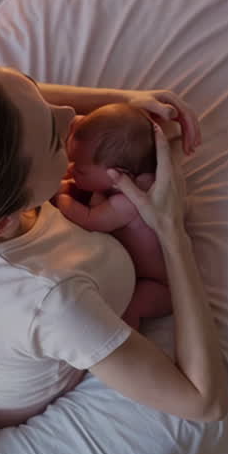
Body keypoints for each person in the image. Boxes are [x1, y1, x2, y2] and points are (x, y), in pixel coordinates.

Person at [0, 60, 228, 427]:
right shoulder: (50, 301)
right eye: (54, 141)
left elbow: (5, 95)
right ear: (4, 222)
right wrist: (170, 229)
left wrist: (122, 101)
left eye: (34, 91)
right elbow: (204, 402)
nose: (71, 114)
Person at [53, 103, 172, 330]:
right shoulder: (123, 177)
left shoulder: (128, 203)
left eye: (80, 170)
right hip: (133, 270)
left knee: (131, 306)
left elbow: (89, 219)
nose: (71, 169)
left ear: (119, 175)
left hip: (159, 285)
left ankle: (130, 339)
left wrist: (62, 196)